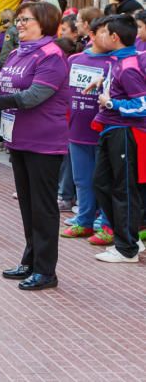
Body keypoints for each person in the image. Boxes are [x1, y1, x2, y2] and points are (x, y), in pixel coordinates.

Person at [0, 2, 68, 291]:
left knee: (43, 207)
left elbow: (34, 96)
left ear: (44, 23)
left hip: (44, 141)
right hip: (19, 138)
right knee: (27, 204)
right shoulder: (16, 54)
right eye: (19, 20)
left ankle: (46, 271)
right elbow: (3, 87)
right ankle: (30, 260)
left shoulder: (52, 56)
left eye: (26, 20)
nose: (20, 24)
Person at [89, 14, 146, 263]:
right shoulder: (118, 61)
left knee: (123, 189)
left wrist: (110, 101)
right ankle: (128, 237)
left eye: (103, 32)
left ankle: (127, 248)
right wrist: (103, 83)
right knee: (101, 184)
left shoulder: (129, 65)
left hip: (124, 132)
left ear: (114, 37)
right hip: (110, 129)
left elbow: (142, 104)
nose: (97, 36)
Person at [60, 21, 112, 240]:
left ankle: (107, 223)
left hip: (104, 131)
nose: (111, 37)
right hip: (77, 130)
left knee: (105, 180)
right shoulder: (74, 60)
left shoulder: (115, 62)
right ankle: (84, 220)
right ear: (91, 34)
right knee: (82, 179)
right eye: (105, 33)